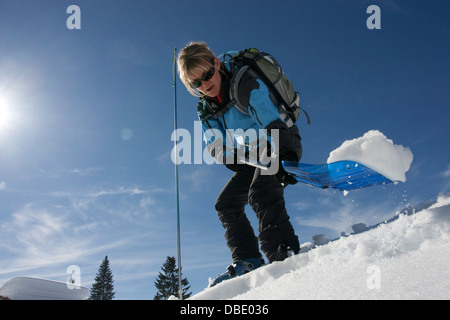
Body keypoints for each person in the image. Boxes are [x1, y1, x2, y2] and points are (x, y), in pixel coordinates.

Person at [177, 42, 302, 287]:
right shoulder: (206, 107)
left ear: (216, 63)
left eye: (207, 75)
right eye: (196, 83)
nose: (205, 84)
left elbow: (267, 115)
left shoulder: (243, 81)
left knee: (261, 193)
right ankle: (248, 260)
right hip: (253, 156)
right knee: (226, 204)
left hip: (281, 138)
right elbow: (214, 142)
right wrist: (226, 155)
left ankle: (285, 259)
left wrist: (284, 152)